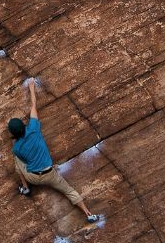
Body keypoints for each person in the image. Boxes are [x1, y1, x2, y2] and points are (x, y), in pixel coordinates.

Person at [9, 79, 99, 223]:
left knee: (17, 160)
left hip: (33, 177)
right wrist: (31, 87)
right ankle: (89, 214)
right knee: (69, 191)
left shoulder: (16, 148)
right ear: (23, 125)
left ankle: (25, 188)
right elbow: (33, 106)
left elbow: (25, 161)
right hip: (50, 174)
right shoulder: (33, 128)